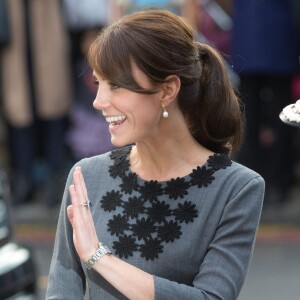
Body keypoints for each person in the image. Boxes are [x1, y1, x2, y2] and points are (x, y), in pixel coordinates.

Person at [46, 10, 265, 299]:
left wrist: (99, 257)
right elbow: (62, 291)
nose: (99, 102)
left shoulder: (237, 188)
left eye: (117, 85)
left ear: (168, 89)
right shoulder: (87, 175)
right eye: (99, 84)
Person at [230, 0, 300, 204]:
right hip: (281, 35)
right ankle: (281, 183)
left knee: (248, 115)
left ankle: (250, 180)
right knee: (284, 115)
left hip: (247, 33)